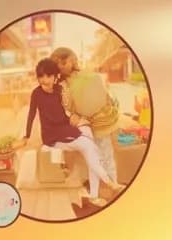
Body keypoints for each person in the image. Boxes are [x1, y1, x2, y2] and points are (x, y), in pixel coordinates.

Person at [21, 58, 122, 207]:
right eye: (41, 76)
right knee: (89, 147)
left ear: (54, 77)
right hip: (52, 135)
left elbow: (68, 110)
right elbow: (31, 115)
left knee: (91, 149)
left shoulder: (60, 90)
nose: (45, 80)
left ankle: (95, 195)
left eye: (48, 76)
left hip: (65, 128)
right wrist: (26, 136)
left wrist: (79, 119)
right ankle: (109, 183)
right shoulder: (36, 94)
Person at [50, 47, 122, 191]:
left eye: (70, 60)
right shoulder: (61, 85)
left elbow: (99, 95)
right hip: (83, 126)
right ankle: (102, 188)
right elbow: (64, 107)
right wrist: (73, 115)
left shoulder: (87, 76)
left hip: (101, 121)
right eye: (61, 63)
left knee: (106, 154)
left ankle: (113, 185)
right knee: (94, 158)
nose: (68, 65)